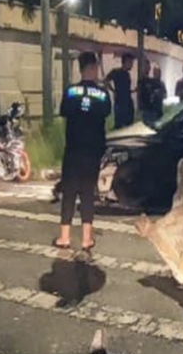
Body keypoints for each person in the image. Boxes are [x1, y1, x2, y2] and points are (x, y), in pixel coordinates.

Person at [55, 51, 111, 251]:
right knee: (88, 193)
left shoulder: (70, 92)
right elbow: (106, 113)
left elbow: (64, 112)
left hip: (73, 149)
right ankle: (87, 239)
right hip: (92, 151)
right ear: (94, 68)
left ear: (80, 69)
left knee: (69, 192)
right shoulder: (103, 94)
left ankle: (64, 237)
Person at [106, 53, 135, 129]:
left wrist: (132, 91)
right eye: (131, 62)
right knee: (119, 126)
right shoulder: (116, 72)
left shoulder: (127, 74)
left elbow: (125, 88)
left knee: (128, 126)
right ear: (126, 62)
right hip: (120, 103)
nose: (132, 65)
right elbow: (105, 81)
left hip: (127, 103)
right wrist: (113, 91)